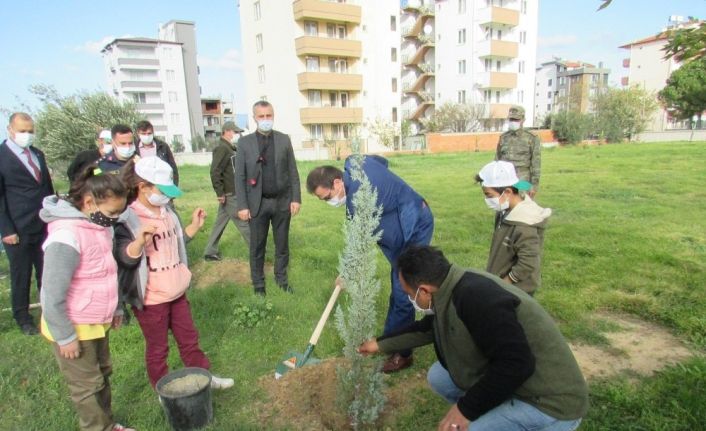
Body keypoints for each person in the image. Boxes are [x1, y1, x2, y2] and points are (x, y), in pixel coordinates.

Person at [358, 245, 588, 431]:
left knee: (468, 428)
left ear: (425, 290)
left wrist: (465, 410)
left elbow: (517, 363)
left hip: (548, 402)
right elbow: (428, 328)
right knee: (439, 376)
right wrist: (379, 344)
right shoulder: (452, 286)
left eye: (410, 294)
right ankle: (493, 407)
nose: (411, 299)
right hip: (518, 379)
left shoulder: (476, 299)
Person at [113, 157, 233, 391]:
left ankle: (204, 377)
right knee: (158, 349)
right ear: (143, 187)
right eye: (162, 190)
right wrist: (139, 242)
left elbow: (175, 243)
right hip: (152, 297)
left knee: (189, 339)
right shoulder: (129, 218)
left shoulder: (167, 212)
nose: (168, 196)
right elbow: (125, 258)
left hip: (176, 289)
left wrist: (193, 228)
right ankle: (163, 390)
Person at [306, 155, 434, 373]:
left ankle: (403, 354)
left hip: (413, 227)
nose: (327, 202)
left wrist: (348, 271)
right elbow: (382, 161)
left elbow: (360, 244)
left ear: (337, 183)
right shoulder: (354, 161)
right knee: (398, 286)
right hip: (396, 225)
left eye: (326, 197)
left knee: (404, 291)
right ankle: (390, 340)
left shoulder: (360, 201)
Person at [38, 166, 135, 431]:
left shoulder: (98, 226)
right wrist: (65, 336)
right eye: (112, 212)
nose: (115, 218)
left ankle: (108, 424)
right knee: (86, 387)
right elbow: (51, 294)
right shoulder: (66, 236)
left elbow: (106, 271)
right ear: (89, 202)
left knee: (102, 375)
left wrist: (115, 307)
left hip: (95, 321)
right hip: (73, 326)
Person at [235, 101, 301, 296]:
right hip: (257, 204)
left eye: (269, 116)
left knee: (282, 245)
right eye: (261, 116)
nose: (266, 120)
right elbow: (239, 176)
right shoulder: (244, 143)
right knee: (257, 247)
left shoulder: (283, 140)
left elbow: (293, 171)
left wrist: (296, 198)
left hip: (282, 201)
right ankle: (259, 285)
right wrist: (242, 205)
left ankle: (281, 280)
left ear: (273, 116)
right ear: (254, 118)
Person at [0, 112, 55, 335]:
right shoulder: (2, 156)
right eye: (23, 131)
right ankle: (23, 318)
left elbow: (47, 189)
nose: (27, 135)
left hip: (43, 224)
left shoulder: (37, 154)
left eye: (31, 131)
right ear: (10, 130)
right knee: (21, 274)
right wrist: (6, 229)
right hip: (17, 228)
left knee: (46, 271)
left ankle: (48, 311)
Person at [476, 160, 551, 295]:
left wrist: (506, 282)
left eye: (489, 195)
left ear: (508, 192)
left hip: (517, 290)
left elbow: (528, 262)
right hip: (503, 285)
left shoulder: (525, 224)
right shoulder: (506, 211)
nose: (486, 200)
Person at [203, 121, 250, 261]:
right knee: (244, 223)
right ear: (227, 131)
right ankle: (257, 251)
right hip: (230, 194)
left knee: (220, 222)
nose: (236, 135)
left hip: (229, 193)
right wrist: (220, 193)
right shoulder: (222, 148)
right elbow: (215, 171)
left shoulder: (229, 148)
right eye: (235, 132)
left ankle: (210, 251)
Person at [495, 105, 541, 197]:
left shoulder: (531, 138)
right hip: (505, 179)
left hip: (522, 179)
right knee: (504, 207)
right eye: (511, 119)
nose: (513, 122)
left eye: (516, 120)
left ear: (523, 120)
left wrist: (534, 186)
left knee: (522, 206)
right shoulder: (504, 137)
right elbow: (497, 160)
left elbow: (536, 164)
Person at [134, 120, 179, 185]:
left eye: (149, 133)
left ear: (153, 133)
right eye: (143, 134)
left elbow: (172, 167)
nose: (146, 136)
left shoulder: (163, 146)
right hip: (141, 186)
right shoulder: (134, 148)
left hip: (161, 184)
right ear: (138, 133)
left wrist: (174, 186)